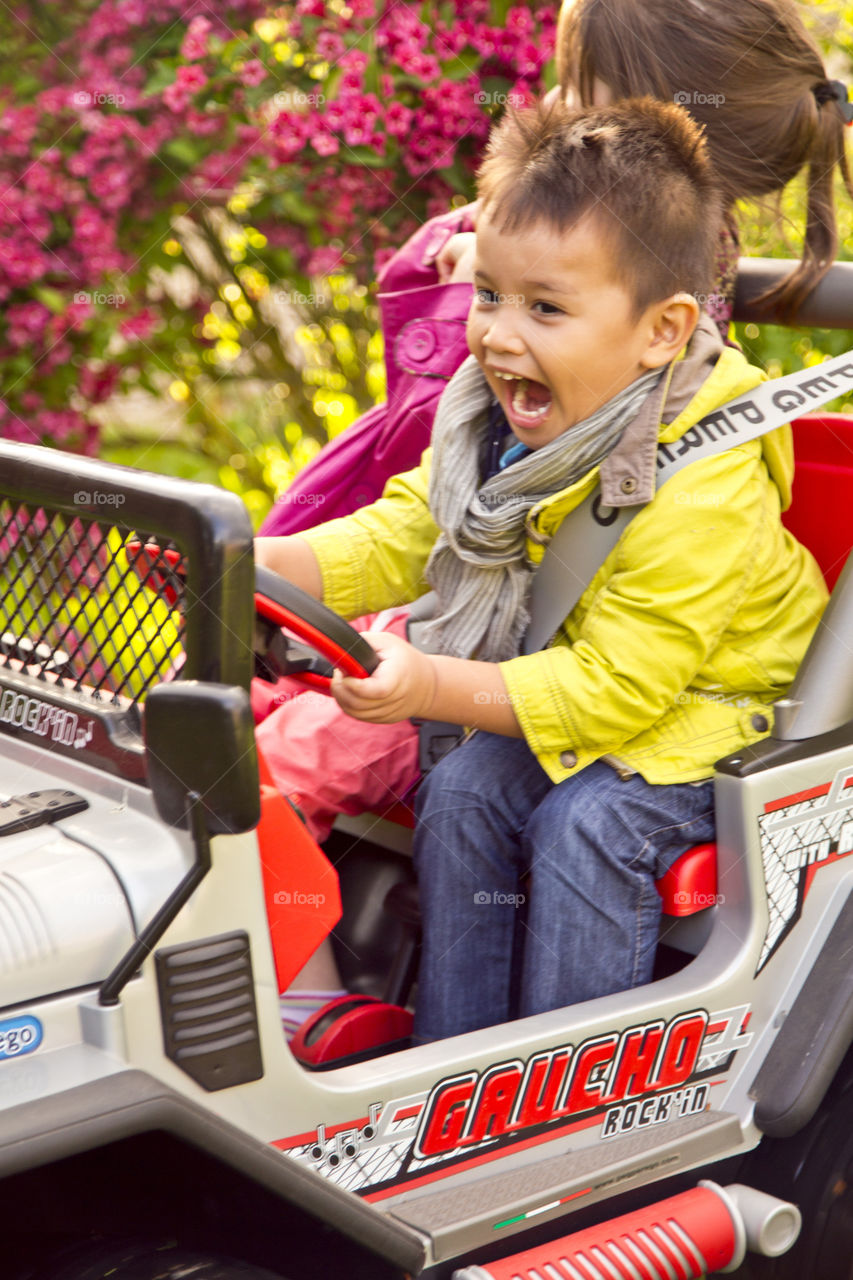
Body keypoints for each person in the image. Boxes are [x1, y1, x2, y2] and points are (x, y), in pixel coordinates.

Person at [257, 96, 828, 1043]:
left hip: (715, 711)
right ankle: (455, 1060)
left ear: (660, 332)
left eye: (545, 308)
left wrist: (428, 684)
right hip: (590, 683)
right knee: (469, 786)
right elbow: (414, 532)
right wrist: (269, 562)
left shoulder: (702, 481)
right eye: (489, 296)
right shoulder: (511, 417)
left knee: (588, 826)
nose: (499, 336)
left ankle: (561, 1098)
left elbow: (615, 688)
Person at [259, 0, 853, 542]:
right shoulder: (642, 236)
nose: (547, 103)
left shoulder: (657, 258)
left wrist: (493, 285)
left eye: (573, 90)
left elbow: (472, 425)